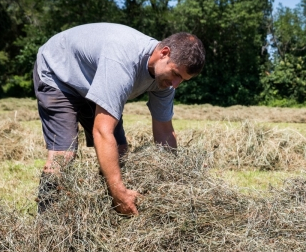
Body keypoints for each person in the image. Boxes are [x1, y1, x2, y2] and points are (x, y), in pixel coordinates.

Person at [33, 23, 205, 215]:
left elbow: (165, 130)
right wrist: (119, 192)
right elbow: (102, 131)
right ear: (164, 52)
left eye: (182, 79)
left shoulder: (165, 82)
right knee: (62, 155)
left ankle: (104, 207)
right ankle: (46, 222)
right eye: (175, 74)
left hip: (93, 78)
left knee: (120, 151)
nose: (176, 84)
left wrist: (173, 180)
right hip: (58, 71)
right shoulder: (123, 61)